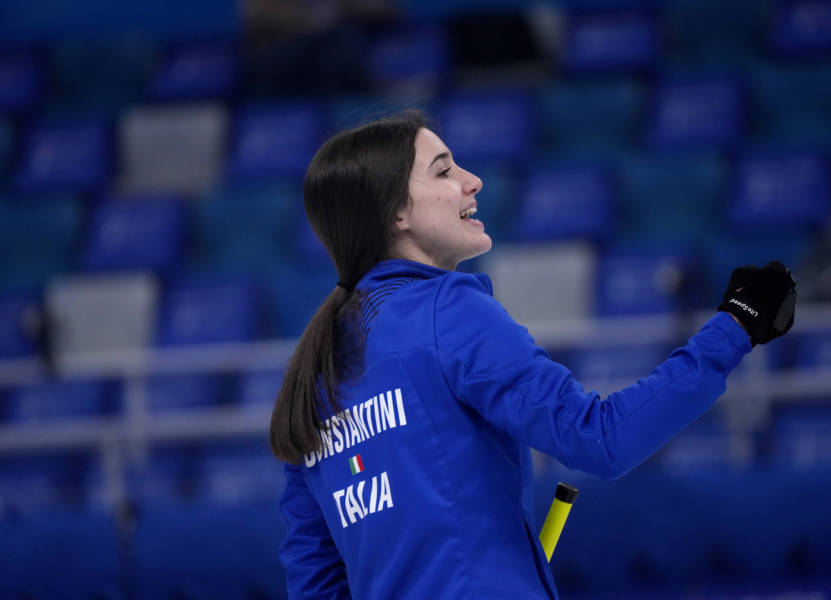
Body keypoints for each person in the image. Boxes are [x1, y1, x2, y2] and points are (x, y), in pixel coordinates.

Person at [269, 111, 796, 599]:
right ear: (396, 212)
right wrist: (736, 325)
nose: (473, 181)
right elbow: (601, 438)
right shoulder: (447, 311)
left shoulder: (313, 372)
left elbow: (315, 581)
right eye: (444, 171)